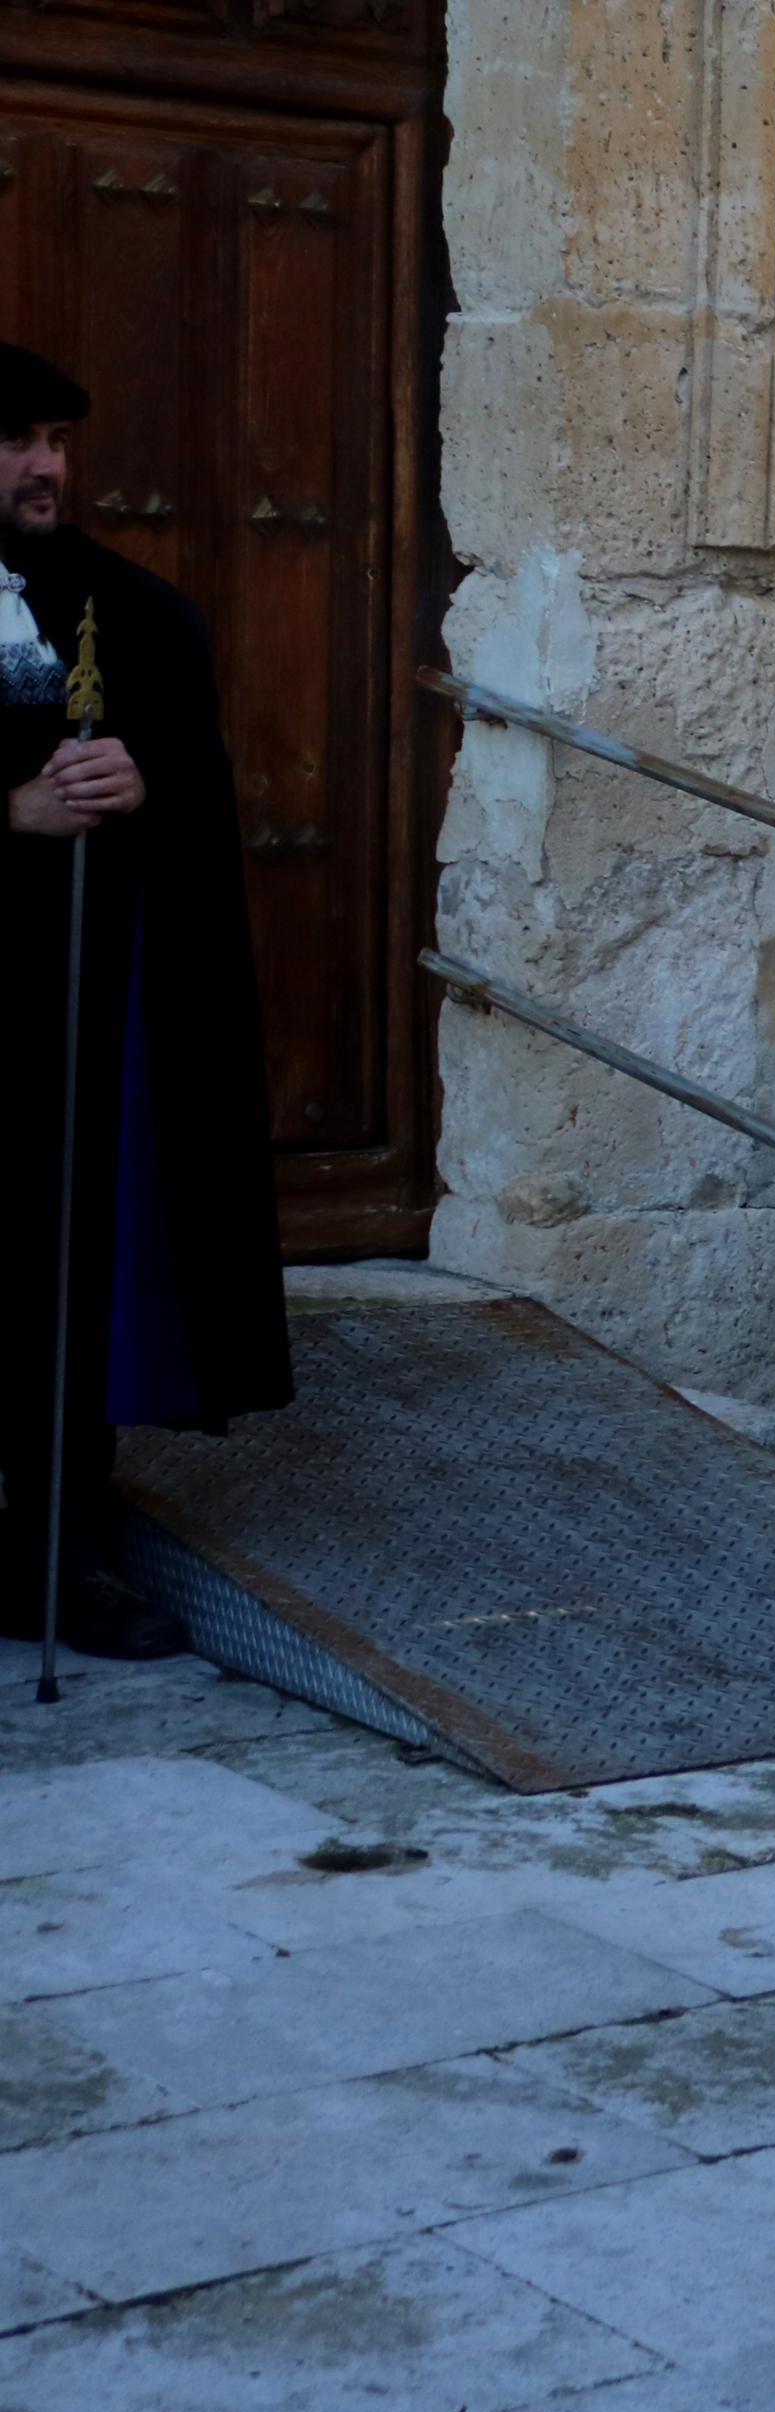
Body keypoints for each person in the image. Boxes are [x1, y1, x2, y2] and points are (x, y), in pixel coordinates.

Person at [0, 343, 290, 1661]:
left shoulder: (137, 614)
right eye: (14, 444)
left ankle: (64, 1553)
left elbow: (196, 778)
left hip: (76, 1014)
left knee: (71, 1274)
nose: (44, 466)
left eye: (56, 439)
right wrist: (7, 810)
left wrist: (146, 784)